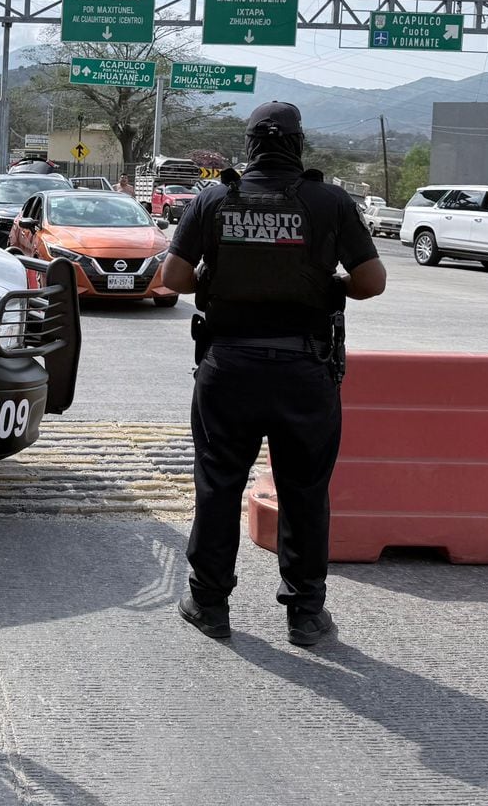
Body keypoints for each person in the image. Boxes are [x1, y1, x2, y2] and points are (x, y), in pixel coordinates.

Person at [160, 102, 386, 647]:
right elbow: (371, 281)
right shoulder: (330, 201)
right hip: (304, 369)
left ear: (250, 146)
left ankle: (209, 603)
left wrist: (223, 276)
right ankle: (305, 614)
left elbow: (173, 276)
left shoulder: (215, 198)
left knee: (218, 484)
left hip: (228, 366)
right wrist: (329, 284)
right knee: (304, 491)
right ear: (299, 144)